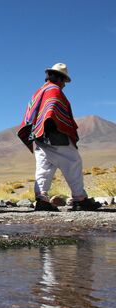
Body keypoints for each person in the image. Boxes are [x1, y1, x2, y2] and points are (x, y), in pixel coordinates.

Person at [18, 63, 100, 212]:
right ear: (60, 78)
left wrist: (40, 128)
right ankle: (79, 199)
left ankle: (42, 199)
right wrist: (53, 124)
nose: (64, 85)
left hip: (37, 134)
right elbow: (52, 108)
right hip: (54, 134)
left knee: (44, 166)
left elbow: (31, 114)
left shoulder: (38, 92)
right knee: (72, 162)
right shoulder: (54, 90)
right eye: (64, 81)